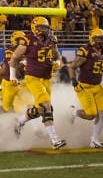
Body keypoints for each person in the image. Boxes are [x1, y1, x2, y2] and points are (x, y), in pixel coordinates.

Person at [10, 16, 66, 149]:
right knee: (46, 106)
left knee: (42, 109)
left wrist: (57, 62)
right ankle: (55, 140)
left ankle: (19, 122)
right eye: (42, 27)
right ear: (35, 27)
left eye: (46, 27)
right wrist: (13, 76)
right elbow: (13, 59)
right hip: (33, 77)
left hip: (46, 78)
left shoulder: (51, 40)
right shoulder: (27, 40)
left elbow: (57, 55)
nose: (44, 30)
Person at [67, 28, 103, 148]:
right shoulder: (85, 51)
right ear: (92, 39)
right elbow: (71, 67)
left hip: (97, 86)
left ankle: (94, 140)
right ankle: (73, 112)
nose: (101, 41)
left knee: (102, 113)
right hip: (85, 86)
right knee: (91, 114)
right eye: (99, 38)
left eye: (102, 38)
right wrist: (73, 81)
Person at [0, 31, 30, 114]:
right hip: (12, 82)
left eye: (23, 40)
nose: (23, 42)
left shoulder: (14, 50)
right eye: (20, 40)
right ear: (14, 40)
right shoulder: (12, 51)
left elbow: (3, 70)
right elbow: (5, 70)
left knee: (29, 104)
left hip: (20, 82)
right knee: (8, 108)